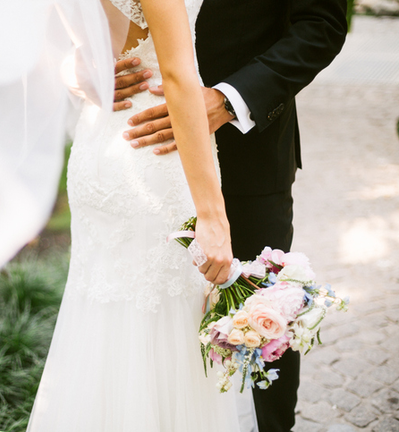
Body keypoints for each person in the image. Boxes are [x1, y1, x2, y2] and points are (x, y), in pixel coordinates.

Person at [113, 1, 348, 430]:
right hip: (136, 154)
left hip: (246, 158)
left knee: (256, 325)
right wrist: (80, 70)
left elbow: (322, 26)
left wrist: (230, 100)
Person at [26, 0, 258, 430]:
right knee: (164, 328)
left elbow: (32, 40)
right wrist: (212, 215)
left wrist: (73, 71)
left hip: (101, 143)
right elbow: (176, 74)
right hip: (154, 151)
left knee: (107, 323)